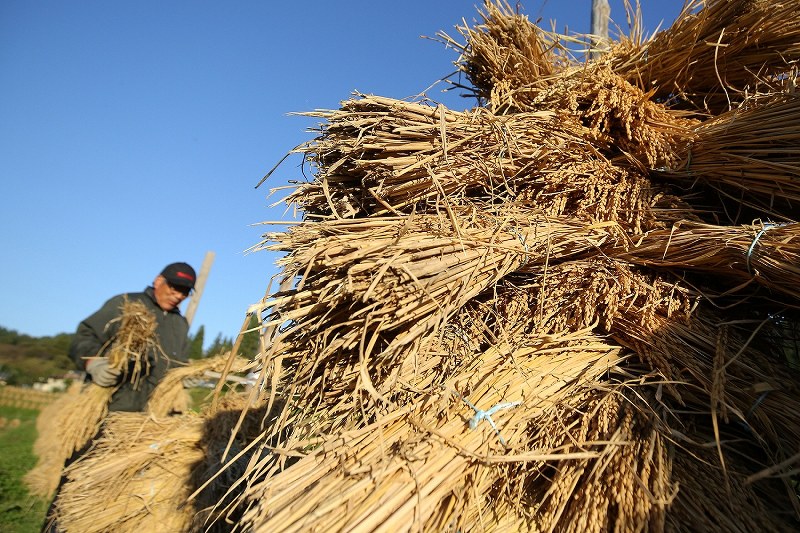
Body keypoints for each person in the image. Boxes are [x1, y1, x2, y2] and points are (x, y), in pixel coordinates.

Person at [69, 261, 196, 411]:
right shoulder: (126, 304)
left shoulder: (180, 324)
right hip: (111, 407)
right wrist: (93, 363)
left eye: (185, 292)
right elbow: (85, 336)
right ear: (159, 281)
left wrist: (185, 374)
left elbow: (178, 361)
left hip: (152, 415)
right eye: (175, 288)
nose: (179, 296)